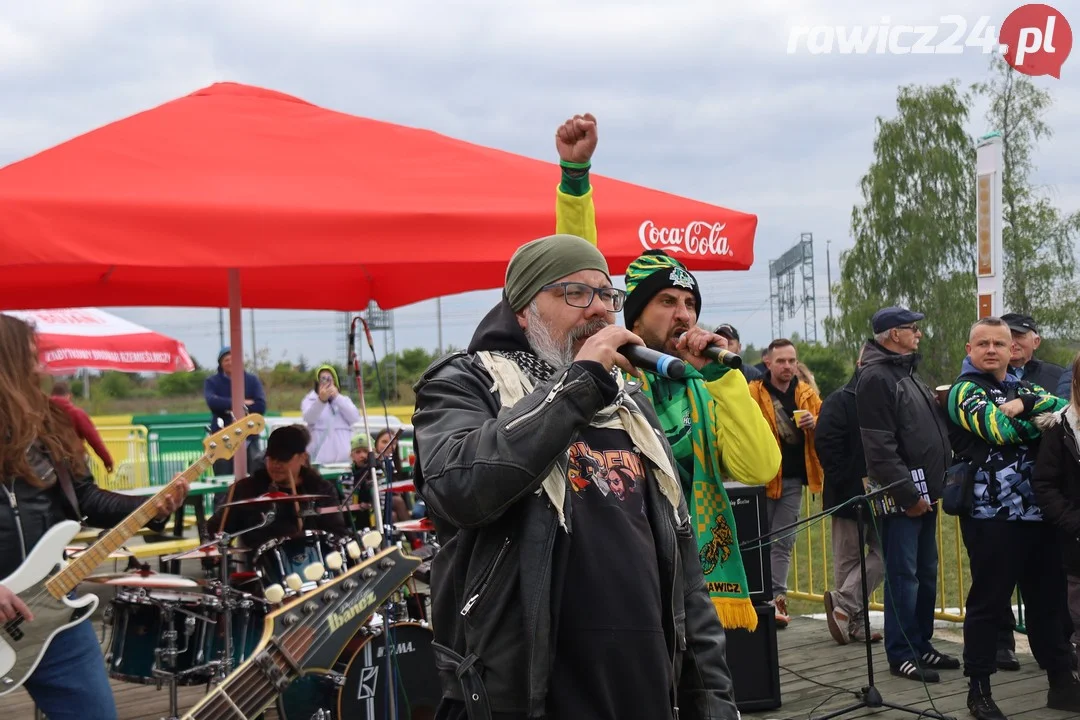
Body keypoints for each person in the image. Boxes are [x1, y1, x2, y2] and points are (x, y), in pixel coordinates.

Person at [412, 233, 739, 720]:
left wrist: (713, 699)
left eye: (607, 296)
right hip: (527, 696)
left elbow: (685, 575)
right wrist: (580, 382)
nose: (600, 311)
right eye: (575, 293)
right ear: (524, 309)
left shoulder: (630, 406)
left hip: (644, 688)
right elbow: (460, 488)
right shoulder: (466, 383)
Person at [551, 112, 781, 630]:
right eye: (666, 302)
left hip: (690, 579)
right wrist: (575, 178)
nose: (684, 315)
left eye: (689, 303)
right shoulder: (607, 370)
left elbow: (760, 468)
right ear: (630, 313)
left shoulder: (701, 387)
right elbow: (575, 264)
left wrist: (724, 379)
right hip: (614, 575)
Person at [0, 315, 188, 720]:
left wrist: (148, 508)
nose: (41, 367)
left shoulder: (50, 422)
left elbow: (84, 498)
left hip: (53, 607)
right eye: (30, 357)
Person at [947, 317, 1079, 719]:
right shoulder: (963, 390)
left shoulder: (1024, 387)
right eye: (982, 343)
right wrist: (1039, 421)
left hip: (1038, 516)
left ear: (1013, 349)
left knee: (1048, 603)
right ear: (969, 349)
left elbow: (1066, 411)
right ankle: (979, 691)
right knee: (989, 603)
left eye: (999, 343)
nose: (991, 349)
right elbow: (998, 428)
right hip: (992, 516)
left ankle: (1061, 683)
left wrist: (1027, 405)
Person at [855, 306, 955, 682]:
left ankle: (921, 643)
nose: (919, 335)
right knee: (904, 576)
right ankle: (900, 653)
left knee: (925, 573)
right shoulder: (878, 377)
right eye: (913, 329)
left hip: (923, 493)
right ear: (894, 335)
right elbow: (880, 450)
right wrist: (908, 496)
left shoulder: (906, 373)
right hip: (903, 498)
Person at [746, 339, 823, 627]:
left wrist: (814, 424)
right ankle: (757, 600)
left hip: (792, 480)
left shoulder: (806, 394)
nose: (788, 366)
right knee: (757, 542)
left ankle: (777, 602)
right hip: (759, 479)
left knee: (782, 542)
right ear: (768, 362)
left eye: (792, 361)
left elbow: (825, 424)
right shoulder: (753, 392)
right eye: (781, 361)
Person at [816, 347, 884, 645]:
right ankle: (855, 624)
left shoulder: (885, 399)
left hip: (883, 495)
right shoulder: (839, 400)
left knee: (887, 554)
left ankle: (842, 603)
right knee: (848, 560)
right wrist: (852, 482)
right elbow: (826, 444)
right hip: (848, 497)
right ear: (860, 364)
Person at [206, 425, 347, 552]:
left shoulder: (321, 489)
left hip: (316, 570)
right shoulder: (246, 489)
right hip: (261, 573)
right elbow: (215, 530)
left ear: (303, 458)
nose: (276, 465)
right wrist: (212, 546)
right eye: (272, 458)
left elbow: (337, 534)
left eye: (283, 459)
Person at [204, 346, 267, 476]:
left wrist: (226, 404)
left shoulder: (252, 380)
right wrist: (242, 403)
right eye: (226, 360)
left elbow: (260, 406)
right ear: (221, 363)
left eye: (233, 359)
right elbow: (213, 403)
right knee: (223, 482)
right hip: (222, 440)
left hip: (249, 438)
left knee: (254, 479)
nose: (230, 362)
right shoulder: (212, 382)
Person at [301, 364, 361, 465]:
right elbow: (309, 418)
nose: (326, 383)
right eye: (323, 379)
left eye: (329, 379)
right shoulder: (310, 400)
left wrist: (337, 397)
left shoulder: (343, 400)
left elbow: (354, 417)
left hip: (344, 461)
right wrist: (321, 401)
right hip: (320, 461)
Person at [50, 380, 114, 473]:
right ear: (69, 396)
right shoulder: (77, 414)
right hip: (74, 462)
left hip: (50, 464)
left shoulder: (42, 413)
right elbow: (94, 440)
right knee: (86, 486)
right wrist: (107, 461)